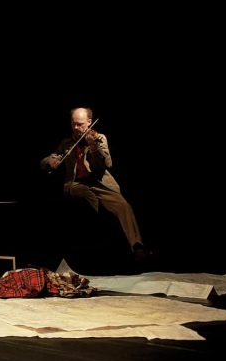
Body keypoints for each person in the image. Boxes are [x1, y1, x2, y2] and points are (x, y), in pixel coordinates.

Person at [41, 107, 149, 260]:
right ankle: (101, 235)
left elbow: (107, 163)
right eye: (74, 124)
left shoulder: (99, 138)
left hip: (99, 183)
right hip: (76, 183)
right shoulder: (66, 143)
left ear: (89, 122)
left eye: (80, 124)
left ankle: (137, 246)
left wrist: (93, 147)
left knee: (123, 206)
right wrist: (49, 161)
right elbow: (48, 159)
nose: (76, 128)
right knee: (85, 193)